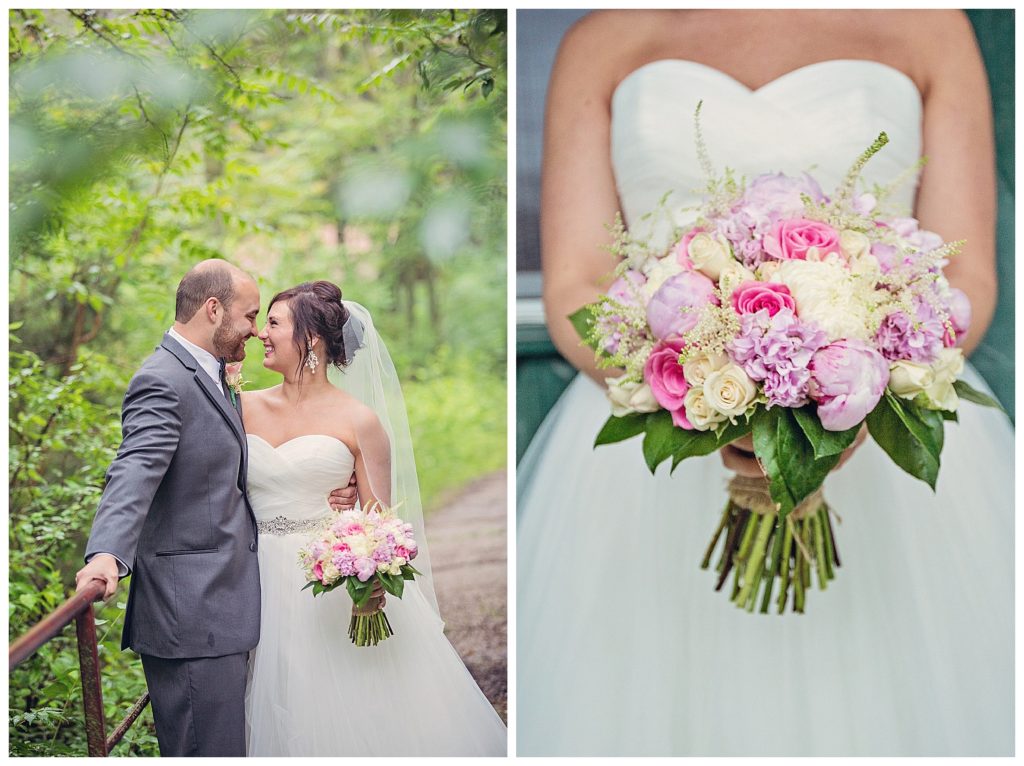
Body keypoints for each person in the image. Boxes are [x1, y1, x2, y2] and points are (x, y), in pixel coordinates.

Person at [517, 10, 1012, 756]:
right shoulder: (603, 39)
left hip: (890, 427)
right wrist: (706, 391)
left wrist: (854, 396)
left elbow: (966, 273)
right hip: (651, 449)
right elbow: (577, 288)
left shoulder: (929, 23)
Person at [76, 260, 357, 756]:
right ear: (213, 310)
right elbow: (135, 469)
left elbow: (233, 474)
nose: (254, 330)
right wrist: (106, 554)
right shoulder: (163, 379)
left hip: (230, 604)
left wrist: (337, 485)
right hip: (192, 612)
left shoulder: (213, 376)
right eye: (250, 316)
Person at [241, 280, 506, 757]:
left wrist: (367, 581)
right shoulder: (239, 409)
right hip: (252, 582)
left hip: (325, 586)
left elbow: (379, 521)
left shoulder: (359, 420)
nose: (262, 332)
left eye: (274, 323)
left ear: (311, 338)